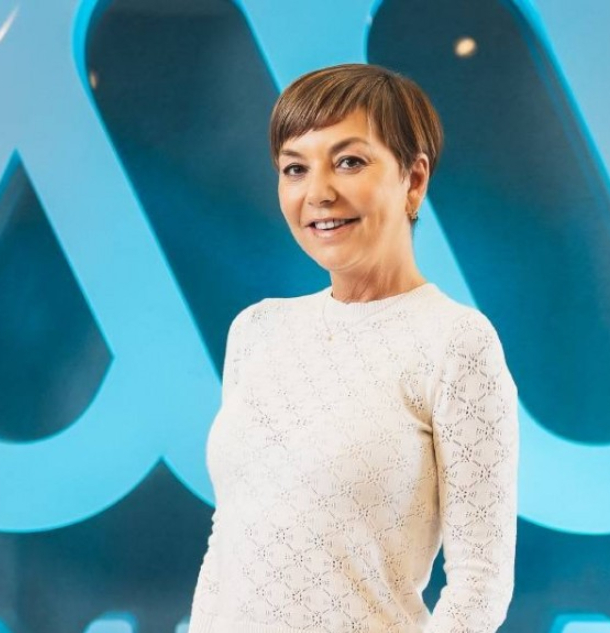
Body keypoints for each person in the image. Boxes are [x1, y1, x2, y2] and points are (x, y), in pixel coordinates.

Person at [189, 63, 518, 632]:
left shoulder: (456, 342)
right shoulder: (256, 330)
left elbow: (480, 582)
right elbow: (228, 541)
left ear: (413, 179)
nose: (318, 193)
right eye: (295, 168)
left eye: (349, 162)